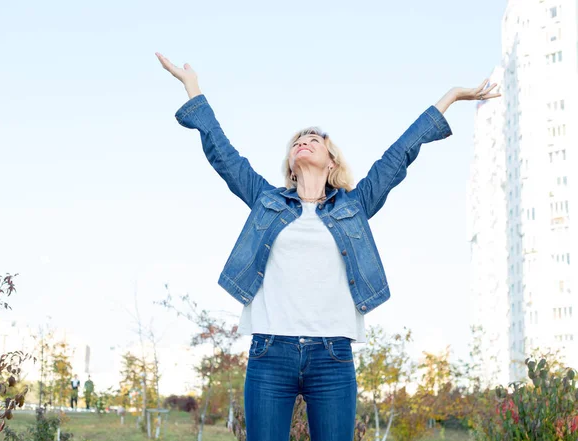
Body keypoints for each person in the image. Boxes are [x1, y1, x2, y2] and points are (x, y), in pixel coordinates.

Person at [155, 52, 500, 441]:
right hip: (270, 351)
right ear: (290, 163)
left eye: (313, 139)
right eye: (296, 142)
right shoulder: (265, 200)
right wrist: (193, 88)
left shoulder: (355, 206)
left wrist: (450, 97)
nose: (302, 142)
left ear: (331, 159)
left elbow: (398, 156)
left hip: (332, 356)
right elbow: (224, 154)